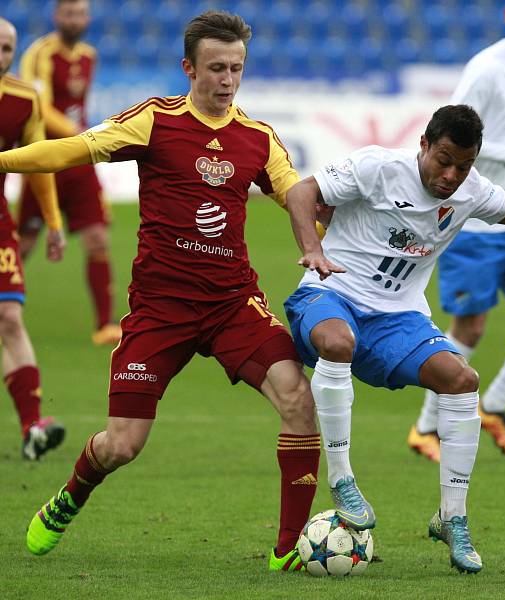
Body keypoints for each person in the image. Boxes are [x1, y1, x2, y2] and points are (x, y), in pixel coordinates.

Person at [0, 11, 321, 572]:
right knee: (122, 445)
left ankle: (288, 550)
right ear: (188, 68)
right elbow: (73, 148)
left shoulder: (258, 139)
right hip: (160, 309)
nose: (227, 80)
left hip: (231, 304)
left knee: (297, 398)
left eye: (237, 69)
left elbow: (298, 199)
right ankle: (69, 497)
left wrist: (344, 223)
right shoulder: (155, 120)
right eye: (216, 68)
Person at [284, 105, 505, 573]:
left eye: (464, 166)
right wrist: (312, 249)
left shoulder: (469, 193)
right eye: (444, 160)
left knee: (461, 378)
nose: (451, 175)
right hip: (332, 295)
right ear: (425, 145)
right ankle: (342, 478)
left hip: (398, 320)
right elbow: (301, 191)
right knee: (336, 342)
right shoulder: (378, 168)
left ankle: (452, 517)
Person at [409, 0, 505, 463]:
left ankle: (494, 404)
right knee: (470, 329)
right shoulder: (486, 69)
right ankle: (426, 427)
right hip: (477, 214)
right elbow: (454, 140)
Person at [17, 0, 120, 346]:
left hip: (78, 161)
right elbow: (41, 108)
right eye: (69, 14)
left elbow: (77, 107)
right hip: (46, 160)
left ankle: (105, 325)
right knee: (24, 242)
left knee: (97, 238)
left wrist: (82, 142)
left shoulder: (89, 55)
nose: (76, 20)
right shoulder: (40, 54)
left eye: (81, 14)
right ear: (56, 16)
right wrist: (82, 136)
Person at [0, 17, 67, 460]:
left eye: (7, 48)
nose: (0, 54)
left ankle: (33, 427)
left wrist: (53, 221)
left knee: (9, 317)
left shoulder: (24, 99)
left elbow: (39, 164)